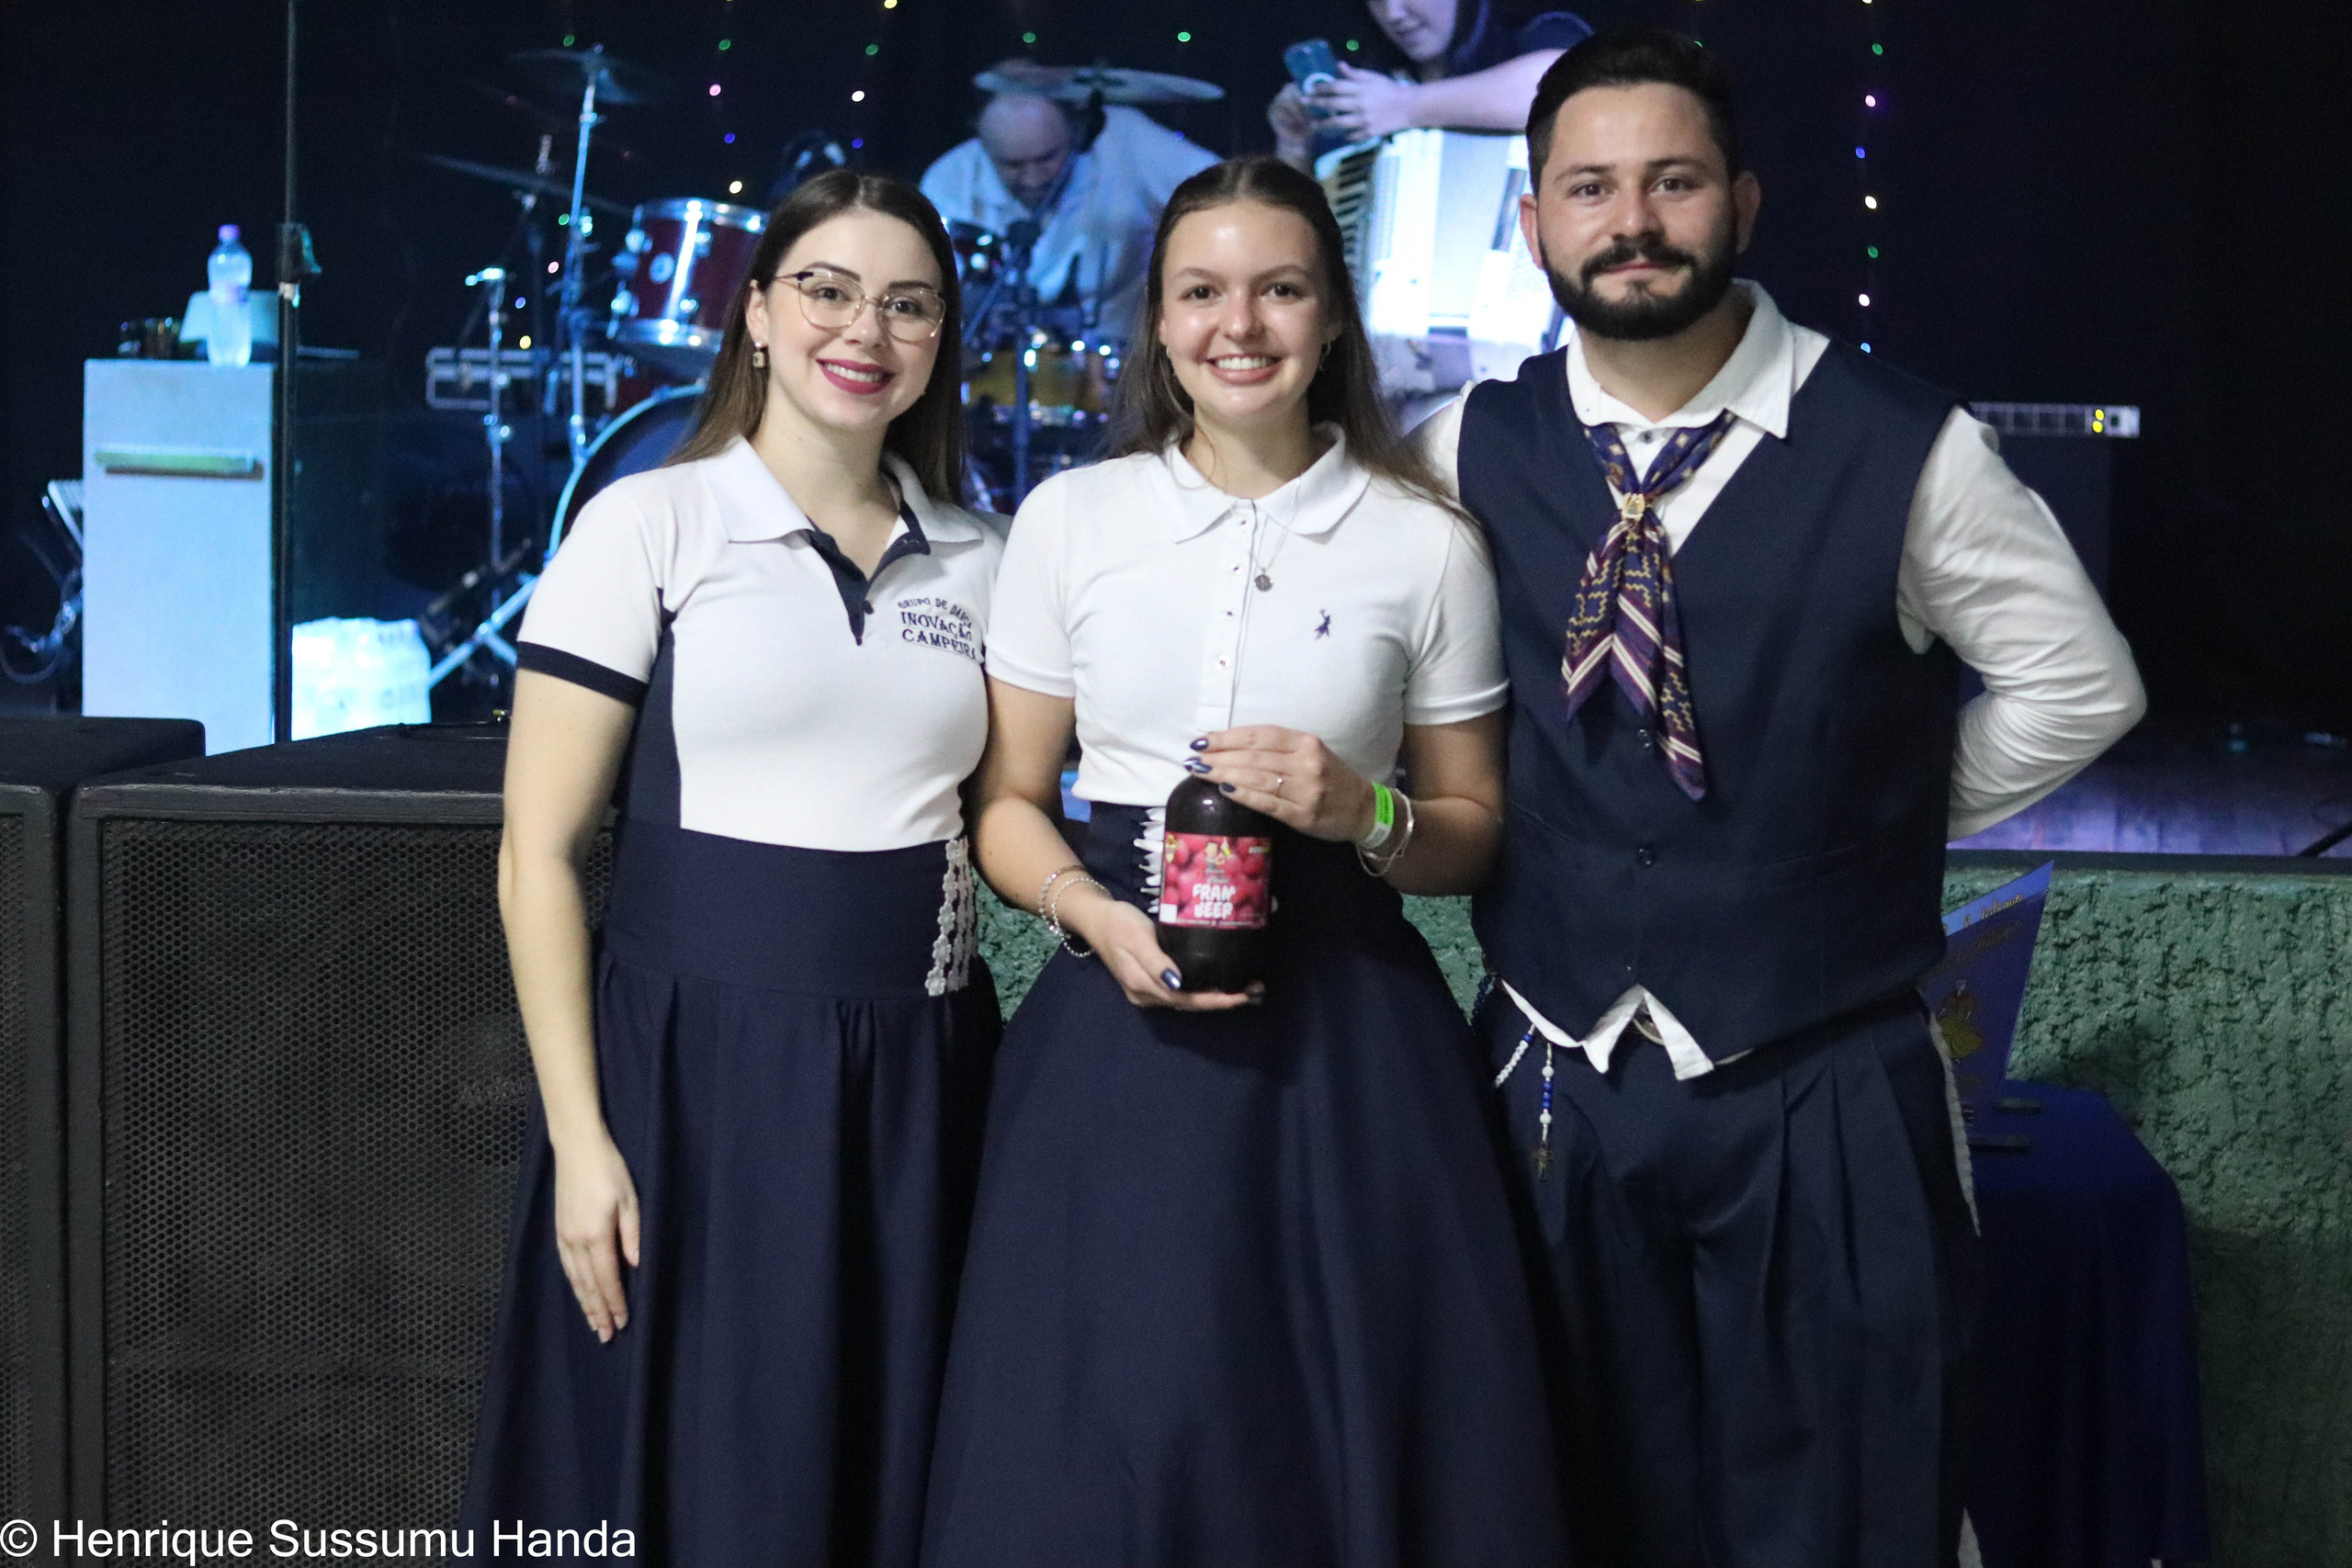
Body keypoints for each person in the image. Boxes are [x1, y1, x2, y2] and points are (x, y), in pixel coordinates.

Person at [1413, 28, 2146, 1568]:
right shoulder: (1469, 445)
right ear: (1534, 221)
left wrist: (1876, 811)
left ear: (1741, 202)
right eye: (1590, 188)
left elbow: (2081, 684)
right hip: (1552, 1061)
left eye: (1672, 182)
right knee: (1555, 1484)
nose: (1631, 222)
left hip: (1826, 1065)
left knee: (1848, 1495)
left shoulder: (1905, 442)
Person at [921, 155, 1567, 1567]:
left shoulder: (1427, 543)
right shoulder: (1072, 521)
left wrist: (1362, 812)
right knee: (1106, 1429)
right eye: (1202, 291)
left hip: (1352, 1046)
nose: (1242, 324)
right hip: (1115, 1025)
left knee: (1342, 1443)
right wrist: (1091, 913)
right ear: (1157, 321)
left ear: (1332, 315)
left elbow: (1472, 834)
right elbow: (1013, 802)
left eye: (1281, 289)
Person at [458, 170, 1004, 1568]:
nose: (863, 328)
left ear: (940, 339)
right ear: (757, 311)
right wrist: (585, 1141)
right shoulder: (651, 523)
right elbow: (536, 855)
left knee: (892, 1462)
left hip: (923, 1077)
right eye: (826, 288)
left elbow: (1006, 817)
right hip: (694, 1085)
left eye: (907, 303)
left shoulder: (986, 558)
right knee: (697, 1473)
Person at [921, 65, 1216, 344]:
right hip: (995, 375)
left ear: (1078, 132)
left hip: (1124, 368)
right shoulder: (948, 182)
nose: (1033, 178)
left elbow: (1225, 194)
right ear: (983, 146)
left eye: (1047, 158)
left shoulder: (1125, 139)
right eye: (1012, 165)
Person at [1272, 0, 1594, 168]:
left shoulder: (1532, 36)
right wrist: (1294, 146)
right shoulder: (1373, 89)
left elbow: (1564, 88)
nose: (1393, 13)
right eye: (1377, 0)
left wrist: (1405, 106)